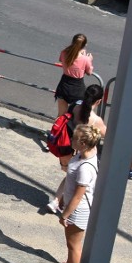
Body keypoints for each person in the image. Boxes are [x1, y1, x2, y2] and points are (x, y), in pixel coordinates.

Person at [47, 84, 106, 214]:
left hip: (67, 146)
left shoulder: (74, 106)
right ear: (98, 101)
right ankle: (64, 204)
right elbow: (107, 134)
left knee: (69, 174)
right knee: (79, 181)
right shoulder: (96, 120)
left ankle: (56, 201)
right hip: (83, 153)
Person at [58, 125, 101, 263]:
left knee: (74, 245)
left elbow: (78, 196)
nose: (71, 139)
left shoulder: (85, 168)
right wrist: (63, 197)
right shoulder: (86, 152)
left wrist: (64, 215)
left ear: (83, 144)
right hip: (73, 207)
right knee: (70, 243)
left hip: (78, 211)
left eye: (74, 138)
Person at [55, 33, 93, 117]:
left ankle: (56, 130)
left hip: (63, 86)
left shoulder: (64, 52)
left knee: (61, 114)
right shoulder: (85, 59)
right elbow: (89, 72)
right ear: (84, 45)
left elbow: (63, 60)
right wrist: (89, 59)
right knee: (76, 116)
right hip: (77, 89)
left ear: (72, 41)